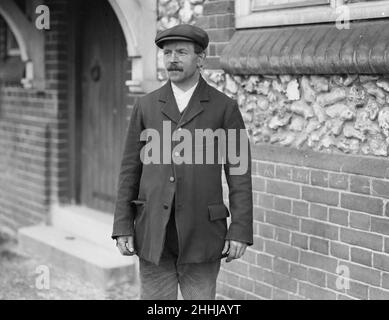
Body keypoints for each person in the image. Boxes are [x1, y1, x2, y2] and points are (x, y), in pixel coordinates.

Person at [112, 24, 253, 300]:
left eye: (181, 52)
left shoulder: (224, 108)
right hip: (154, 235)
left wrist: (240, 229)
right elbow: (130, 169)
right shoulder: (146, 106)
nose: (172, 59)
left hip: (202, 236)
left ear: (200, 59)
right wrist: (122, 225)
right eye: (167, 53)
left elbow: (239, 172)